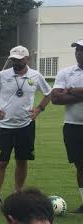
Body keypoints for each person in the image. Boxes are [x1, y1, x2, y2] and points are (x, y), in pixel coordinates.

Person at [0, 45, 51, 208]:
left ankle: (18, 193)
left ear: (27, 59)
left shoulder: (36, 76)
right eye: (13, 59)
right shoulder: (2, 75)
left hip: (26, 125)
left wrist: (39, 108)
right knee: (1, 161)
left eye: (19, 60)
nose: (15, 62)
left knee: (22, 160)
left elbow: (49, 93)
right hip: (4, 126)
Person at [51, 39, 83, 213]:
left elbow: (63, 95)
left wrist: (70, 90)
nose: (79, 53)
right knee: (80, 165)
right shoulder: (66, 72)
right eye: (77, 50)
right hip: (72, 126)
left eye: (82, 50)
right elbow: (55, 98)